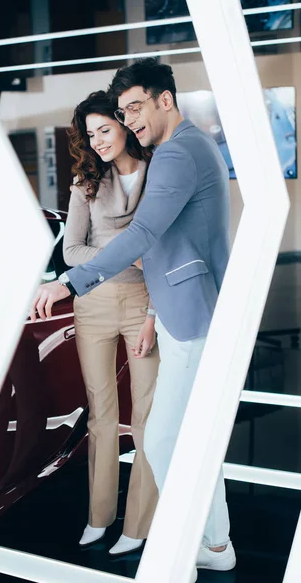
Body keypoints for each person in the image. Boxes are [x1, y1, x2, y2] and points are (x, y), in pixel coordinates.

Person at [30, 58, 236, 581]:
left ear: (165, 99)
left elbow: (143, 234)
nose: (129, 119)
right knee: (185, 436)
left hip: (188, 312)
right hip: (176, 306)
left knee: (163, 437)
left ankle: (189, 542)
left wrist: (67, 280)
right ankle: (213, 542)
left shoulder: (175, 154)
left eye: (134, 108)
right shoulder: (185, 148)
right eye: (122, 111)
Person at [64, 90, 160, 556]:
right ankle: (98, 516)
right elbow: (71, 252)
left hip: (145, 303)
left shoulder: (159, 172)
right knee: (102, 416)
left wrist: (145, 263)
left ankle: (138, 523)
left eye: (105, 129)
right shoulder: (85, 182)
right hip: (94, 304)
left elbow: (167, 244)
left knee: (146, 417)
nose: (98, 141)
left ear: (124, 124)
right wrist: (127, 254)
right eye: (91, 134)